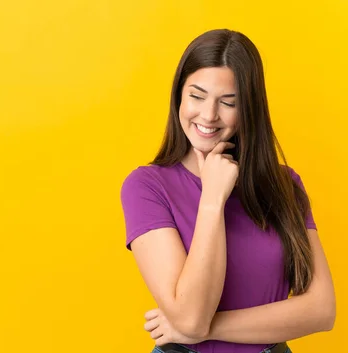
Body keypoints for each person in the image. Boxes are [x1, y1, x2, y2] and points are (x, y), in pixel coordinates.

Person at [119, 29, 335, 353]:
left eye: (228, 102)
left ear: (248, 108)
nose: (208, 115)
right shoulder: (147, 187)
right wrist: (212, 198)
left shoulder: (283, 185)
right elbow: (191, 318)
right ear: (179, 94)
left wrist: (205, 329)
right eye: (197, 95)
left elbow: (321, 310)